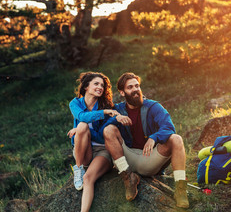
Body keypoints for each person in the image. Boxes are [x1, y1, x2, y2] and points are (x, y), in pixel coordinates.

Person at [102, 72, 189, 208]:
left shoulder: (153, 106)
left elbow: (168, 127)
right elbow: (102, 130)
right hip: (127, 158)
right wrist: (115, 118)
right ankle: (128, 178)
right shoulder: (117, 109)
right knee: (108, 129)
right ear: (122, 92)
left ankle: (180, 190)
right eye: (130, 87)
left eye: (137, 86)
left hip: (148, 159)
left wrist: (154, 138)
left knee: (176, 139)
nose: (135, 89)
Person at [67, 72, 120, 212]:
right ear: (86, 87)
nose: (100, 87)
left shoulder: (107, 105)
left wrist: (80, 130)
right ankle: (78, 168)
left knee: (88, 178)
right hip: (84, 150)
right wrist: (102, 113)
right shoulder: (75, 103)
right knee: (82, 124)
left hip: (102, 150)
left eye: (102, 85)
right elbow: (81, 116)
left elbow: (104, 136)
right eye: (96, 84)